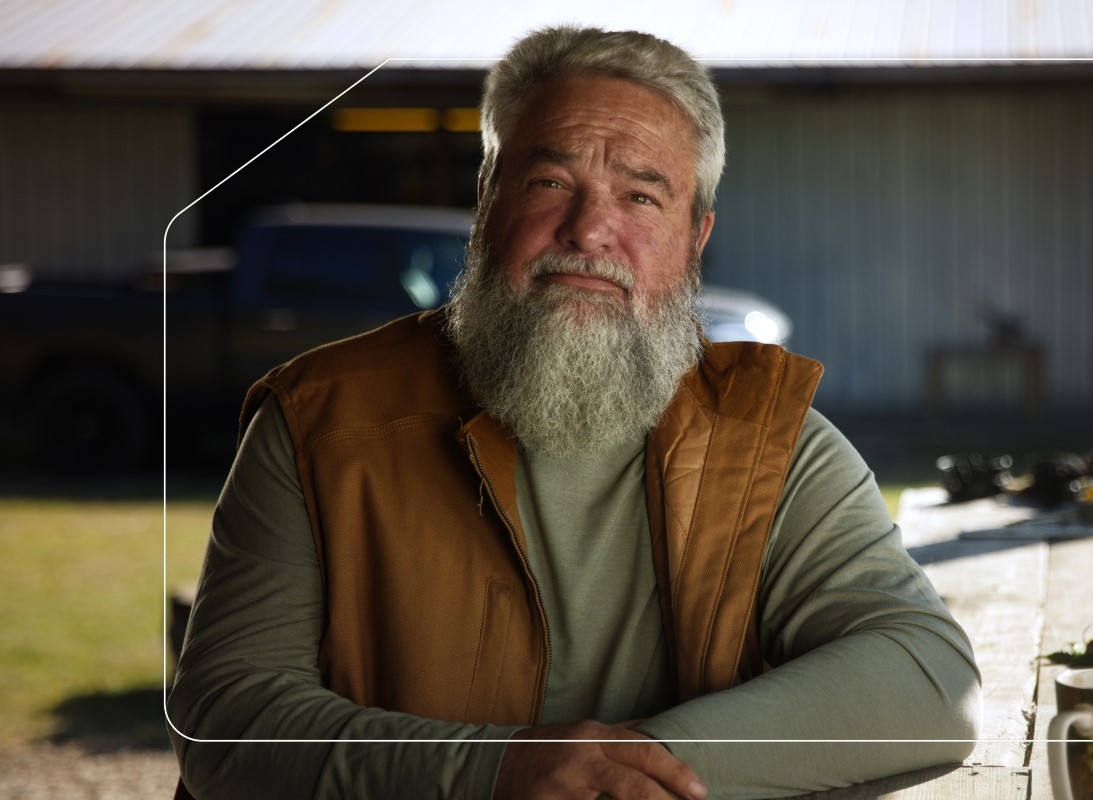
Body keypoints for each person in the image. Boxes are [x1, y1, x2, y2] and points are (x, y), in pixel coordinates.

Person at [167, 25, 981, 800]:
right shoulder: (316, 424)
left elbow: (930, 682)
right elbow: (227, 723)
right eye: (551, 181)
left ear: (696, 238)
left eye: (641, 196)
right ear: (488, 200)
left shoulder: (769, 439)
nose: (590, 230)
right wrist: (493, 775)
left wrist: (630, 771)